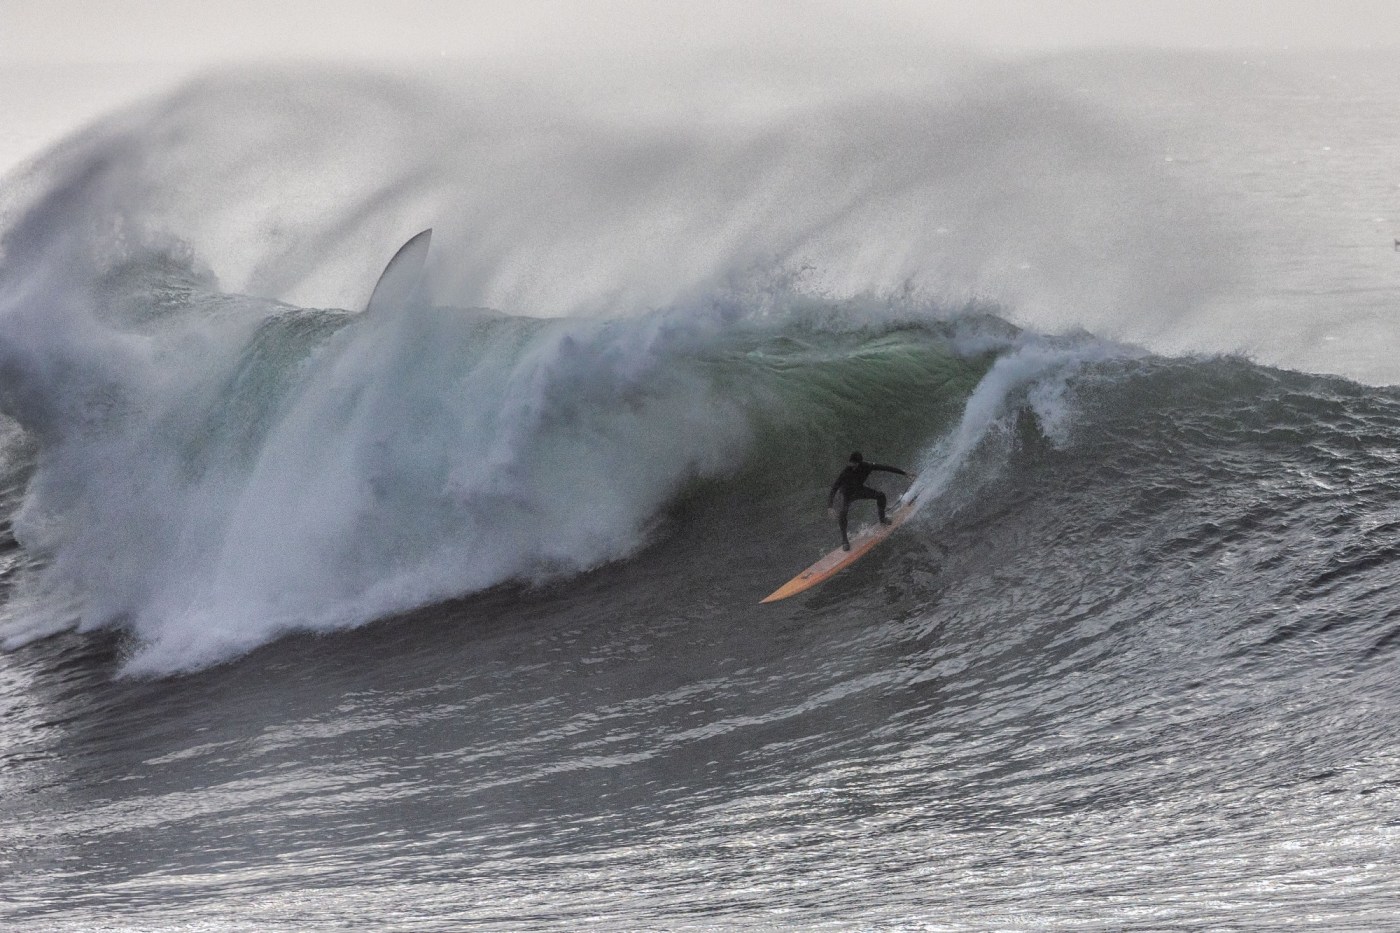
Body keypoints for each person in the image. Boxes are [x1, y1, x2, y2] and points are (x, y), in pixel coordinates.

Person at [827, 452, 909, 551]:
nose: (851, 465)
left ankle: (882, 519)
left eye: (854, 464)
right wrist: (830, 506)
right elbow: (834, 488)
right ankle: (845, 540)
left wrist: (904, 473)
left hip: (860, 490)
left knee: (881, 496)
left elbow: (886, 468)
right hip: (847, 495)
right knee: (843, 514)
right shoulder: (845, 472)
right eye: (850, 463)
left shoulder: (867, 466)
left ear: (859, 463)